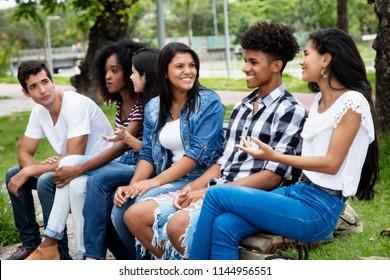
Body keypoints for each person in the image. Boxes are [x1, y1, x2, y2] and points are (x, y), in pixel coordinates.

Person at [189, 28, 379, 260]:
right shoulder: (320, 100)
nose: (301, 61)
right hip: (300, 192)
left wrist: (273, 156)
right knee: (224, 225)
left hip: (319, 209)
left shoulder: (352, 102)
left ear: (326, 60)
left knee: (217, 195)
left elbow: (332, 164)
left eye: (307, 54)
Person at [125, 22, 307, 259]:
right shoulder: (243, 106)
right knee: (134, 216)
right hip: (218, 186)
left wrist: (208, 193)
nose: (244, 68)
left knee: (177, 225)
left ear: (276, 66)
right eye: (245, 60)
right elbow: (223, 162)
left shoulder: (289, 110)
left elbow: (272, 177)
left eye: (253, 62)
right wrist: (194, 186)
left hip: (250, 197)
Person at [24, 43, 160, 260]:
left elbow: (121, 147)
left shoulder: (142, 105)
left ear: (128, 70)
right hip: (124, 164)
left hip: (137, 166)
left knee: (70, 167)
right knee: (75, 182)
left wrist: (78, 167)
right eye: (106, 71)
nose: (108, 76)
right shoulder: (121, 103)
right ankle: (83, 255)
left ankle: (50, 242)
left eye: (115, 70)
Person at [111, 42, 225, 259]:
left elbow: (195, 155)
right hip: (171, 176)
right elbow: (147, 154)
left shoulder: (208, 102)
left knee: (139, 206)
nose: (188, 71)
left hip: (201, 178)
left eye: (192, 65)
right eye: (179, 66)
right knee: (120, 208)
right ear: (164, 72)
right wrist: (133, 185)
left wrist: (155, 182)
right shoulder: (154, 106)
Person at [5, 60, 113, 260]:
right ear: (26, 92)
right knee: (13, 173)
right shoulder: (39, 112)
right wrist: (31, 168)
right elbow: (24, 153)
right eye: (34, 87)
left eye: (45, 82)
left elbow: (74, 156)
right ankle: (31, 244)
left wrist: (31, 171)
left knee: (46, 180)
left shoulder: (75, 105)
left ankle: (59, 253)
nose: (43, 90)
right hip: (72, 166)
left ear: (53, 81)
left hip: (97, 167)